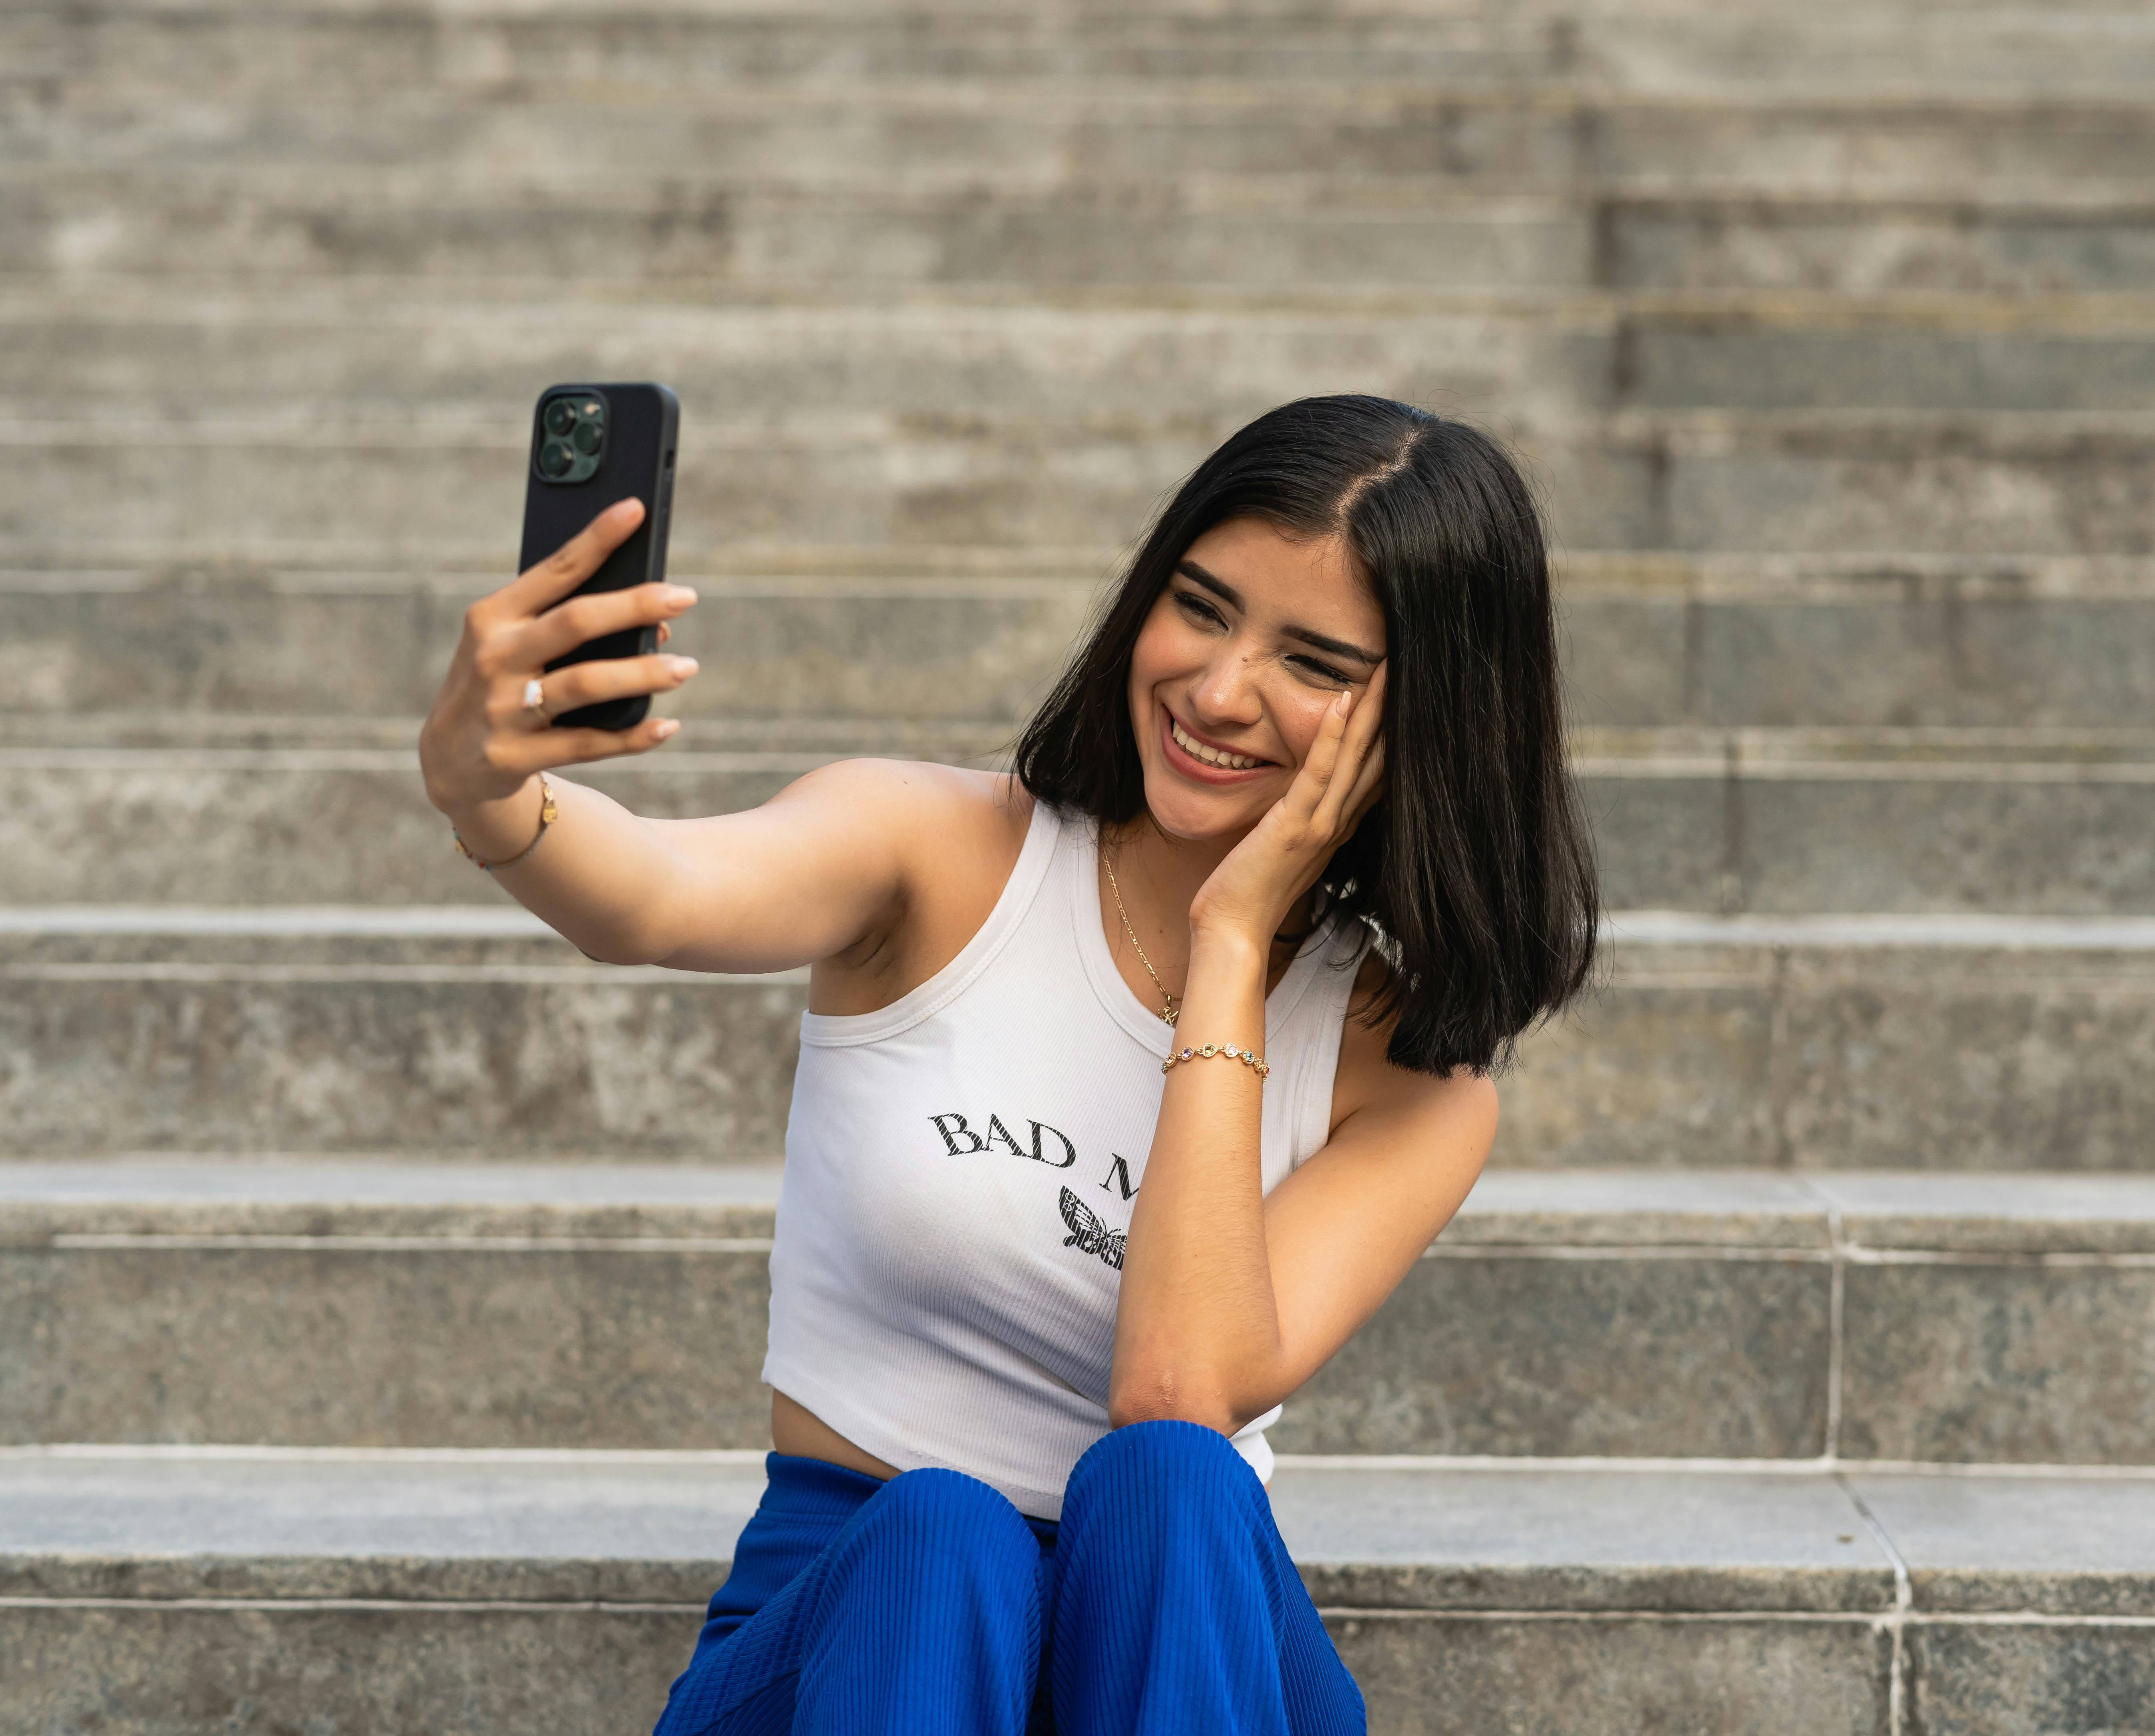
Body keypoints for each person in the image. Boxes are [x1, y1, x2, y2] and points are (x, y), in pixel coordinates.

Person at [417, 394, 1601, 1734]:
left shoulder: (1412, 1083)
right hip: (863, 1643)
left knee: (1172, 1481)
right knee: (946, 1537)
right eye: (1201, 607)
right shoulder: (936, 852)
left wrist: (1231, 942)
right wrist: (489, 791)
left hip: (1178, 1648)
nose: (1218, 691)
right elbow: (655, 898)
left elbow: (1178, 1388)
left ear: (1430, 722)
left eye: (1315, 663)